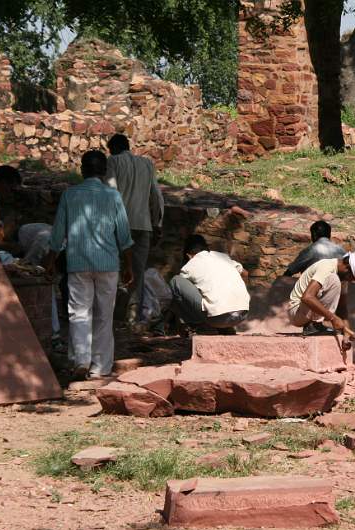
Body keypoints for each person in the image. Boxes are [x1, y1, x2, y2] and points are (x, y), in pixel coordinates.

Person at [44, 151, 134, 379]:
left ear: (82, 170)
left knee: (79, 313)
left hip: (78, 263)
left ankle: (81, 361)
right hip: (108, 264)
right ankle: (101, 367)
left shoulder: (69, 195)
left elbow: (57, 234)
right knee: (104, 315)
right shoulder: (113, 196)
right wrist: (129, 266)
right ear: (104, 172)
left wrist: (50, 261)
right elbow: (124, 236)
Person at [105, 134, 164, 326]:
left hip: (119, 225)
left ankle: (112, 315)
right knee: (137, 273)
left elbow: (110, 191)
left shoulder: (113, 161)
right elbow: (156, 195)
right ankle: (132, 318)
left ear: (113, 148)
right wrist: (158, 223)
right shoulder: (147, 164)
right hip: (143, 226)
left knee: (114, 269)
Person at [169, 235, 249, 334]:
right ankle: (225, 327)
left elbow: (182, 295)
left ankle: (196, 325)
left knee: (175, 281)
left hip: (217, 319)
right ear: (206, 248)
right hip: (242, 315)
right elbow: (245, 273)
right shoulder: (222, 257)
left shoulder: (190, 265)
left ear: (188, 255)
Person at [288, 252, 355, 336]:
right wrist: (333, 318)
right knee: (334, 279)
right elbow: (307, 297)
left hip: (306, 313)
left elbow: (342, 308)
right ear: (348, 267)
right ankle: (315, 325)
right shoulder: (326, 267)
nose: (350, 280)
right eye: (351, 277)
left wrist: (346, 335)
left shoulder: (342, 277)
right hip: (296, 312)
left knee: (335, 280)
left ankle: (316, 325)